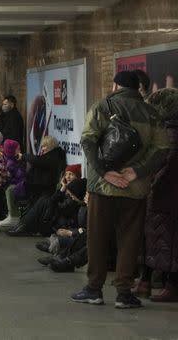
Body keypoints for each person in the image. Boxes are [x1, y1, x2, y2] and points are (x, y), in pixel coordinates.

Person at [72, 71, 169, 309]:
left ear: (116, 85)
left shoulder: (103, 106)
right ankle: (124, 293)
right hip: (135, 188)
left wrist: (105, 172)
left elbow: (88, 141)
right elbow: (162, 149)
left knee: (97, 237)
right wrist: (136, 172)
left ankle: (94, 289)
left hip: (103, 187)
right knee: (129, 239)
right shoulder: (152, 113)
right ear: (138, 88)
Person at [141, 88, 178, 302]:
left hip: (166, 198)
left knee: (168, 244)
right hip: (163, 196)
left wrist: (151, 183)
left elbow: (167, 165)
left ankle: (172, 285)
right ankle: (150, 282)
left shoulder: (172, 132)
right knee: (158, 242)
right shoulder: (166, 130)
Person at [8, 165, 85, 237]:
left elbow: (62, 208)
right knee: (43, 200)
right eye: (66, 174)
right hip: (56, 217)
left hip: (63, 223)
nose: (68, 177)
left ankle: (24, 226)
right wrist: (62, 189)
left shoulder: (76, 191)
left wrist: (62, 190)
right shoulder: (66, 188)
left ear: (77, 176)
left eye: (71, 174)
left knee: (45, 201)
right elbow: (55, 201)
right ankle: (23, 224)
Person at [23, 135, 67, 205]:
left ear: (51, 146)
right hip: (43, 188)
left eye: (44, 146)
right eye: (42, 146)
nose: (42, 149)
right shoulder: (54, 155)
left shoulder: (53, 157)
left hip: (46, 190)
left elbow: (37, 160)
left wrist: (23, 156)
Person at [0, 139, 28, 229]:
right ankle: (13, 215)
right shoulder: (11, 163)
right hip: (19, 183)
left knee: (10, 190)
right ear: (12, 151)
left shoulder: (12, 160)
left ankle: (12, 215)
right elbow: (18, 176)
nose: (20, 151)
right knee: (10, 190)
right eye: (18, 149)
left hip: (18, 183)